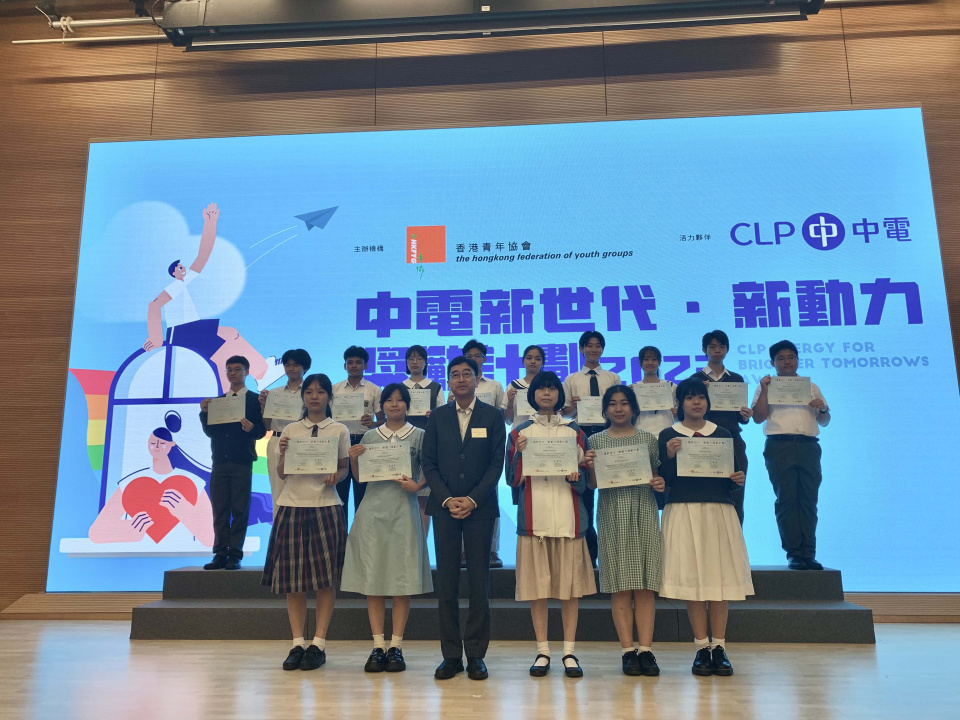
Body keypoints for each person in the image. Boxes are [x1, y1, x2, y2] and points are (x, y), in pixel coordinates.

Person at [657, 378, 753, 677]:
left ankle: (720, 647)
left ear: (708, 402)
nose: (696, 402)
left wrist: (737, 480)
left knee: (718, 580)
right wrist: (668, 457)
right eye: (689, 398)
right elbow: (664, 481)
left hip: (718, 510)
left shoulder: (722, 434)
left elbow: (731, 479)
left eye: (700, 397)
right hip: (683, 510)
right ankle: (701, 647)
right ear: (679, 404)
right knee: (694, 581)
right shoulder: (668, 435)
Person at [506, 371, 596, 678]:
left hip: (569, 519)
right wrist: (519, 453)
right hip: (534, 520)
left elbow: (586, 482)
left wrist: (577, 475)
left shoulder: (575, 431)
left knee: (570, 591)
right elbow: (512, 480)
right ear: (532, 395)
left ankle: (569, 651)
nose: (546, 393)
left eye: (552, 389)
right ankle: (542, 650)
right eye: (541, 389)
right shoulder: (519, 432)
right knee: (538, 591)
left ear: (560, 395)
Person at [422, 356, 506, 681]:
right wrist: (446, 499)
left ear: (476, 378)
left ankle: (476, 655)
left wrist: (472, 499)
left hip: (479, 509)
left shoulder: (493, 416)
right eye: (454, 374)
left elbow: (496, 464)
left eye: (466, 374)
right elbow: (429, 463)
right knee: (447, 584)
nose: (460, 379)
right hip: (444, 509)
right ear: (448, 381)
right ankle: (451, 655)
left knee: (479, 583)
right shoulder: (438, 417)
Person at [141, 203, 284, 393]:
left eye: (182, 266)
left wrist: (210, 224)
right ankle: (261, 373)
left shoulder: (182, 284)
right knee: (229, 339)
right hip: (184, 332)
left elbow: (202, 256)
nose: (183, 268)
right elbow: (154, 305)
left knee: (225, 349)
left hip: (189, 330)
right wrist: (156, 338)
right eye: (179, 267)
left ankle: (241, 386)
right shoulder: (175, 286)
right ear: (174, 273)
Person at [341, 384, 433, 673]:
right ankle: (378, 645)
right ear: (381, 406)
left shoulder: (420, 435)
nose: (394, 404)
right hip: (372, 512)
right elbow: (361, 478)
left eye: (400, 400)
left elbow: (431, 470)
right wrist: (353, 458)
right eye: (389, 400)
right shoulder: (370, 436)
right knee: (374, 579)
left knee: (402, 580)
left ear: (407, 405)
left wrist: (418, 485)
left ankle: (397, 646)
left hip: (404, 511)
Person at [263, 373, 350, 672]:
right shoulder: (290, 429)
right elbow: (282, 473)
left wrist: (336, 476)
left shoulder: (339, 429)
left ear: (329, 397)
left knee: (325, 580)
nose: (314, 397)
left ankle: (318, 643)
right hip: (291, 506)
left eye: (320, 392)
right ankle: (297, 642)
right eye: (309, 392)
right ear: (303, 397)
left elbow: (344, 469)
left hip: (326, 506)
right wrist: (284, 453)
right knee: (293, 582)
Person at [585, 385, 664, 677]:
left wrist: (659, 483)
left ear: (633, 407)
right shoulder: (595, 440)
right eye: (613, 404)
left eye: (624, 403)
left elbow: (656, 476)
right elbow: (593, 485)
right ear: (605, 409)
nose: (618, 409)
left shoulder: (648, 439)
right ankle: (627, 651)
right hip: (612, 513)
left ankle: (646, 650)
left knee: (644, 585)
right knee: (619, 585)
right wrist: (590, 466)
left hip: (643, 510)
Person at [751, 340, 831, 571]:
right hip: (780, 446)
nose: (787, 362)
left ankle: (809, 553)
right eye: (781, 358)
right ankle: (794, 554)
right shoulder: (766, 386)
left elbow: (824, 421)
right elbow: (758, 417)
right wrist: (765, 389)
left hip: (809, 446)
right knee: (786, 500)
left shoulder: (811, 386)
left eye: (791, 357)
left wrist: (823, 408)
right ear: (772, 362)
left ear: (797, 359)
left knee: (808, 499)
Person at [89, 411, 213, 547]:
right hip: (137, 555)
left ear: (172, 444)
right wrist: (129, 530)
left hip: (185, 552)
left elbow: (212, 537)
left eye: (162, 443)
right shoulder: (131, 482)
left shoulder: (192, 482)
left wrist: (185, 512)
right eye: (153, 443)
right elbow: (96, 532)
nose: (157, 446)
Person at [199, 355, 266, 570]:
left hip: (242, 462)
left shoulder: (254, 400)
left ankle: (235, 555)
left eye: (238, 369)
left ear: (247, 372)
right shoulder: (218, 402)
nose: (233, 373)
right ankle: (219, 554)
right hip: (219, 462)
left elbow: (261, 431)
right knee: (219, 510)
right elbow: (211, 432)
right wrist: (204, 413)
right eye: (229, 369)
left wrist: (252, 429)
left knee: (239, 509)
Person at [562, 330, 621, 567]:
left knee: (612, 493)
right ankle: (589, 556)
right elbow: (565, 413)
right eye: (589, 345)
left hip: (608, 435)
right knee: (584, 498)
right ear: (581, 349)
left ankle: (613, 553)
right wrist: (574, 407)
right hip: (582, 436)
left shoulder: (613, 377)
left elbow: (620, 408)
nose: (593, 349)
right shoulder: (571, 379)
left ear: (602, 349)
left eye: (598, 346)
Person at [690, 330, 752, 524]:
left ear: (727, 349)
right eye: (712, 347)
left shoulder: (736, 379)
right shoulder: (695, 379)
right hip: (702, 441)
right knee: (704, 494)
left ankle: (735, 541)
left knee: (736, 495)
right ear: (704, 350)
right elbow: (687, 415)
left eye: (721, 346)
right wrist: (700, 391)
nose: (717, 350)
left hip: (733, 440)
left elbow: (739, 418)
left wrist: (745, 416)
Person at [458, 339, 506, 568]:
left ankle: (492, 550)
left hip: (486, 449)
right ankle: (462, 551)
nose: (473, 359)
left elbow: (502, 417)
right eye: (469, 355)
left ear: (484, 359)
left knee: (489, 499)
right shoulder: (457, 384)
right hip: (461, 450)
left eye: (477, 355)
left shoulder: (495, 386)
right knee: (460, 501)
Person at [332, 346, 383, 521]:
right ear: (344, 366)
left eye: (358, 362)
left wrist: (372, 423)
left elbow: (382, 420)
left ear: (366, 365)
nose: (354, 366)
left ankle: (361, 535)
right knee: (340, 493)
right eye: (350, 362)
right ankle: (341, 536)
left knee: (363, 493)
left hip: (364, 442)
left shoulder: (374, 390)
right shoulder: (334, 389)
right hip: (340, 442)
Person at [259, 349, 310, 519]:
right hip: (277, 440)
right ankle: (278, 533)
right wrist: (264, 407)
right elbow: (267, 426)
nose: (291, 368)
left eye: (296, 365)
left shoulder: (311, 392)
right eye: (287, 365)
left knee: (303, 491)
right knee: (278, 492)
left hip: (302, 443)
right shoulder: (274, 393)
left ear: (305, 368)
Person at [402, 344, 443, 536]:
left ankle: (422, 545)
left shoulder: (435, 387)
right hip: (404, 445)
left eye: (419, 358)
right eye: (411, 358)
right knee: (404, 497)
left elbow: (444, 416)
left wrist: (434, 416)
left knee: (424, 499)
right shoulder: (400, 388)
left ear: (425, 362)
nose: (415, 362)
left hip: (428, 444)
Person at [502, 344, 545, 509]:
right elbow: (507, 419)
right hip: (520, 440)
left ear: (542, 362)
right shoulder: (514, 385)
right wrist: (510, 401)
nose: (533, 361)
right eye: (529, 358)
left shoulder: (548, 385)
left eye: (537, 359)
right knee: (520, 484)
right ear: (523, 361)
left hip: (543, 439)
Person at [630, 346, 677, 439]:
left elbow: (680, 414)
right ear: (640, 362)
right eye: (646, 359)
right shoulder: (633, 388)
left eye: (654, 359)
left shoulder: (671, 386)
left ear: (659, 362)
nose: (650, 362)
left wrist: (676, 412)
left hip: (667, 433)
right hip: (641, 434)